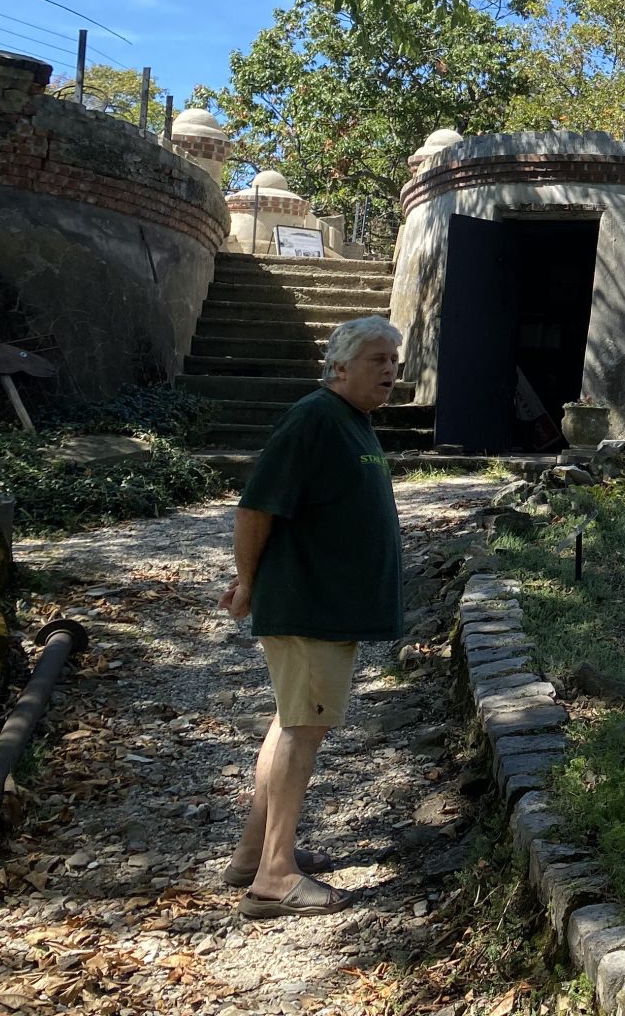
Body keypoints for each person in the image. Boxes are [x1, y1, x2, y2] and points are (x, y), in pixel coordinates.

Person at [217, 313, 405, 919]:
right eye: (378, 360)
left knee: (291, 720)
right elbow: (256, 508)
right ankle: (275, 876)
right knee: (304, 729)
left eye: (395, 362)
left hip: (323, 606)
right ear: (339, 366)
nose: (390, 372)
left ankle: (252, 855)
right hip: (311, 608)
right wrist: (249, 581)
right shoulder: (314, 418)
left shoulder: (352, 421)